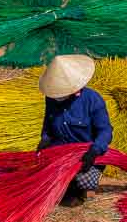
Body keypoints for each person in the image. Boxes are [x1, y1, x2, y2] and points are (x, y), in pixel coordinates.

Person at [37, 54, 113, 208]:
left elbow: (105, 131)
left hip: (86, 155)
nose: (77, 92)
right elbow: (48, 122)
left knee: (85, 180)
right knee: (40, 176)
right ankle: (64, 183)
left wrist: (94, 151)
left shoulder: (92, 99)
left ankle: (77, 188)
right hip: (60, 151)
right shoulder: (51, 98)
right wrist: (45, 139)